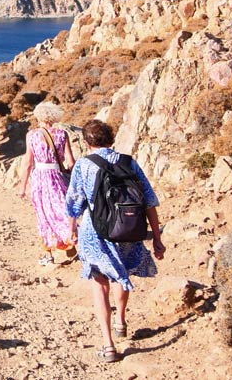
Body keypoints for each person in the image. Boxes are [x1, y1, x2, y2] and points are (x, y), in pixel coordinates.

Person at [65, 119, 166, 363]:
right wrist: (156, 237)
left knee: (99, 283)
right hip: (128, 228)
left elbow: (74, 202)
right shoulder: (129, 162)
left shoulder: (84, 164)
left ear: (87, 142)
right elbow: (149, 200)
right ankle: (121, 320)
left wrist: (72, 229)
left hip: (96, 230)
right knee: (123, 272)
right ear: (111, 138)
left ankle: (108, 345)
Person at [18, 102, 77, 266]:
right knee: (61, 210)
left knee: (43, 215)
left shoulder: (32, 135)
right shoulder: (62, 134)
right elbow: (71, 161)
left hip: (40, 179)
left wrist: (23, 187)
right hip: (57, 177)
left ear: (38, 116)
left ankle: (49, 254)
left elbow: (28, 163)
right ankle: (69, 238)